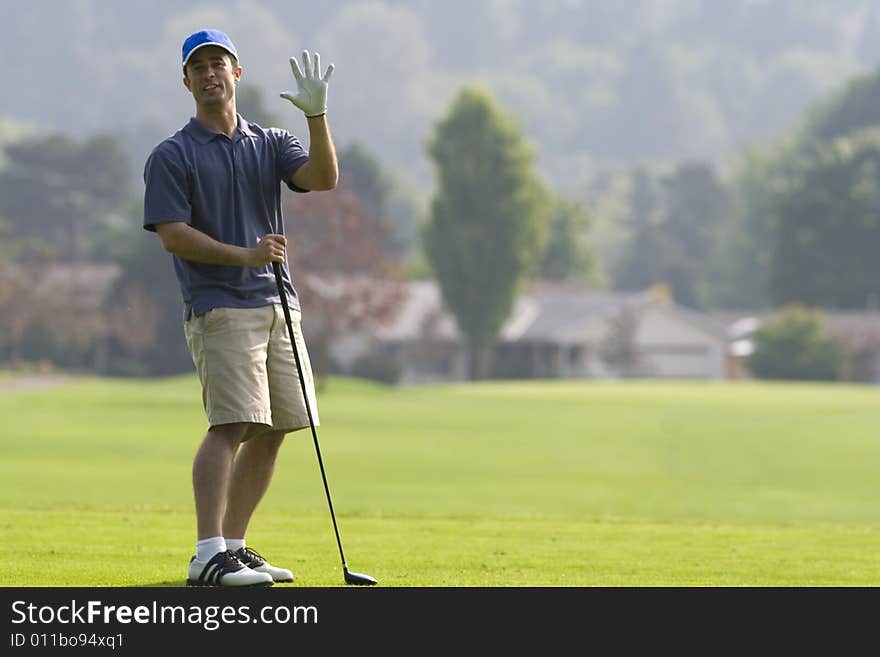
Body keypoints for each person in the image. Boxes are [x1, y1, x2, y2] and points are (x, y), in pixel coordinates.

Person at [143, 29, 338, 587]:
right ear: (186, 81)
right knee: (231, 424)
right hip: (218, 306)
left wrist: (317, 117)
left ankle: (234, 545)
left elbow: (322, 178)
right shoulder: (172, 154)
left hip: (277, 304)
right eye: (198, 67)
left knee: (275, 427)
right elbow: (173, 236)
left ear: (237, 73)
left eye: (218, 64)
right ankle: (207, 555)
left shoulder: (270, 141)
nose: (209, 74)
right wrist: (247, 256)